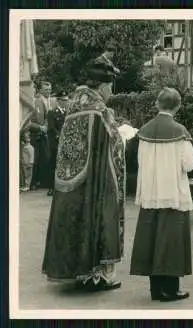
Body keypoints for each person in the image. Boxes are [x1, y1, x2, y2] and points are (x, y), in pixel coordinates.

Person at [41, 57, 125, 292]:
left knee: (73, 217)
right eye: (111, 87)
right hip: (92, 180)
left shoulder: (74, 106)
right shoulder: (99, 112)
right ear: (103, 85)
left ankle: (75, 269)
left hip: (67, 179)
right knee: (98, 213)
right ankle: (96, 274)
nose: (111, 91)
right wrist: (120, 134)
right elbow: (112, 145)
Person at [130, 88, 193, 302]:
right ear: (177, 106)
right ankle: (170, 290)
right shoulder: (180, 132)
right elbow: (189, 164)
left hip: (150, 193)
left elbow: (139, 161)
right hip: (172, 194)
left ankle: (156, 290)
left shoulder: (144, 131)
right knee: (171, 242)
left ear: (157, 104)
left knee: (152, 240)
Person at [27, 81, 54, 190]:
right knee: (36, 160)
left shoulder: (52, 101)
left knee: (47, 158)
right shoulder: (35, 101)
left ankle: (44, 182)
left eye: (49, 89)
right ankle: (33, 182)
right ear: (40, 90)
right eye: (46, 89)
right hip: (36, 134)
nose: (48, 91)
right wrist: (40, 127)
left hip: (47, 134)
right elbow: (27, 121)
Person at [46, 91, 69, 196]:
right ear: (58, 100)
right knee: (53, 165)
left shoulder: (67, 113)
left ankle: (62, 186)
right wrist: (60, 136)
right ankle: (51, 187)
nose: (65, 102)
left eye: (66, 100)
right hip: (55, 143)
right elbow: (51, 128)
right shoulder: (52, 112)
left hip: (65, 142)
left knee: (64, 165)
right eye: (63, 100)